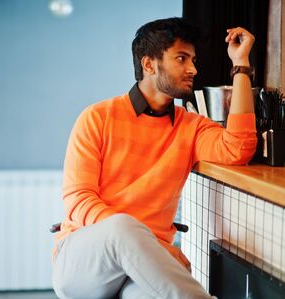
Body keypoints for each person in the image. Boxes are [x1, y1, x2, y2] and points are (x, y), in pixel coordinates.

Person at [52, 17, 257, 299]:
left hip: (144, 266)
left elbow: (238, 147)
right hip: (84, 262)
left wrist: (241, 65)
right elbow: (79, 200)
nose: (193, 69)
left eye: (193, 60)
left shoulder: (191, 126)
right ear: (149, 64)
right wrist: (150, 243)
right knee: (122, 226)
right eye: (182, 59)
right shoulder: (97, 118)